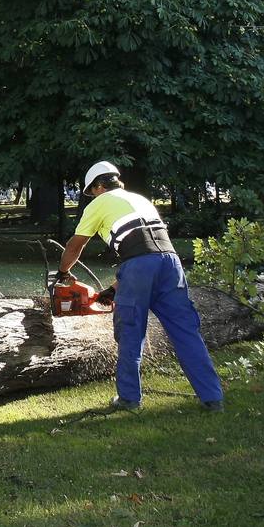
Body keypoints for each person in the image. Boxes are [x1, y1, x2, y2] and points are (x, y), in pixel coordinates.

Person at [56, 161, 224, 413]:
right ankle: (212, 398)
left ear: (99, 186)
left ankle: (129, 399)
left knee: (130, 332)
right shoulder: (140, 200)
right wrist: (113, 289)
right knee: (186, 332)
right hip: (171, 264)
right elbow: (150, 249)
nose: (92, 196)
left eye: (92, 191)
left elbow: (75, 245)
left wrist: (63, 272)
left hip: (139, 267)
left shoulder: (99, 203)